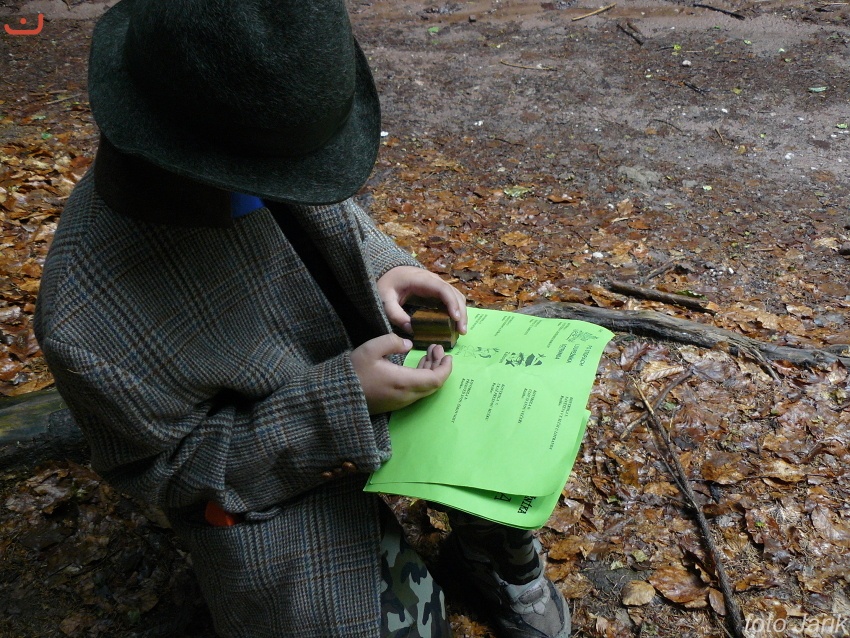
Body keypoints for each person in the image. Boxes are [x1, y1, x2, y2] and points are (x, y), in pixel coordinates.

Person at [34, 1, 571, 636]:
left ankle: (488, 554)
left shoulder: (268, 134)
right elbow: (168, 473)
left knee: (504, 418)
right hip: (272, 467)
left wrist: (387, 271)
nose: (293, 183)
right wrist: (338, 403)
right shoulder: (85, 314)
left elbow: (340, 230)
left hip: (362, 376)